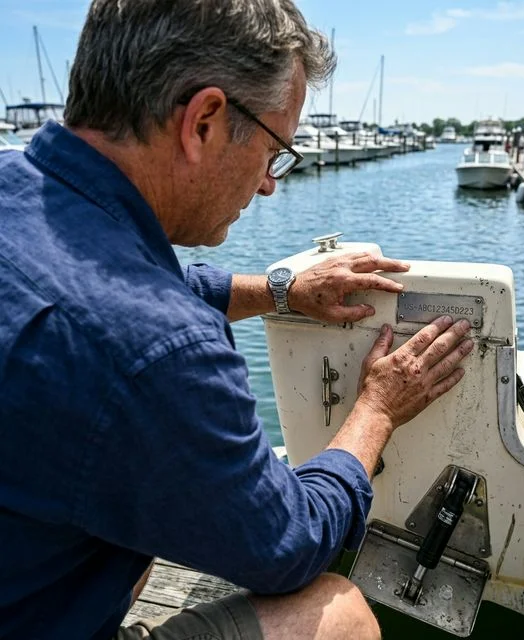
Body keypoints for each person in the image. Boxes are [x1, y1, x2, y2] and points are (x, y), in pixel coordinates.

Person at [0, 1, 473, 639]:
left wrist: (283, 291)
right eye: (276, 151)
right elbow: (290, 543)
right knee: (338, 614)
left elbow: (124, 284)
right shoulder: (162, 348)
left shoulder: (19, 190)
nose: (270, 184)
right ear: (204, 122)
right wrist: (378, 409)